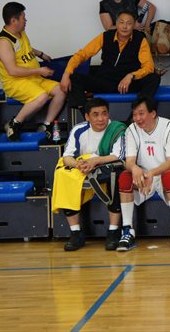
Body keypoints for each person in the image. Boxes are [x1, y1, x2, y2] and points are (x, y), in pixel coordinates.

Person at [51, 98, 126, 251]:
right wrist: (78, 165)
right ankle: (75, 233)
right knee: (62, 175)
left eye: (104, 113)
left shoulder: (117, 129)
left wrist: (96, 161)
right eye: (95, 115)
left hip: (106, 165)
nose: (101, 118)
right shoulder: (79, 129)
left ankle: (113, 231)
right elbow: (67, 157)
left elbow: (118, 155)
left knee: (117, 174)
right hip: (82, 167)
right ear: (87, 117)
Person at [117, 96, 170, 251]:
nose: (137, 118)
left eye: (141, 113)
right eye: (135, 114)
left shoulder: (169, 126)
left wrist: (151, 174)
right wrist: (135, 169)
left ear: (153, 113)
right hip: (144, 174)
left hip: (166, 171)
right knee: (125, 177)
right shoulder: (131, 129)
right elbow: (129, 161)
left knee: (169, 177)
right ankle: (127, 230)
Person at [0, 2, 67, 141]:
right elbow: (13, 71)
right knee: (42, 96)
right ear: (14, 20)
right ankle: (14, 123)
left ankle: (46, 125)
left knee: (61, 90)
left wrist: (40, 54)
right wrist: (39, 70)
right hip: (16, 82)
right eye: (23, 17)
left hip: (34, 78)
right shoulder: (3, 42)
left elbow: (26, 48)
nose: (26, 20)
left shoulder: (20, 33)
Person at [60, 12, 161, 109]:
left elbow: (148, 66)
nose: (124, 26)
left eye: (129, 23)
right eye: (121, 22)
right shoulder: (105, 36)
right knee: (73, 77)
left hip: (127, 85)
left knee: (154, 78)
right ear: (116, 23)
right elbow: (82, 54)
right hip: (105, 82)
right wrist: (66, 73)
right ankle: (86, 114)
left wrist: (131, 76)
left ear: (134, 25)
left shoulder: (140, 39)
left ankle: (137, 112)